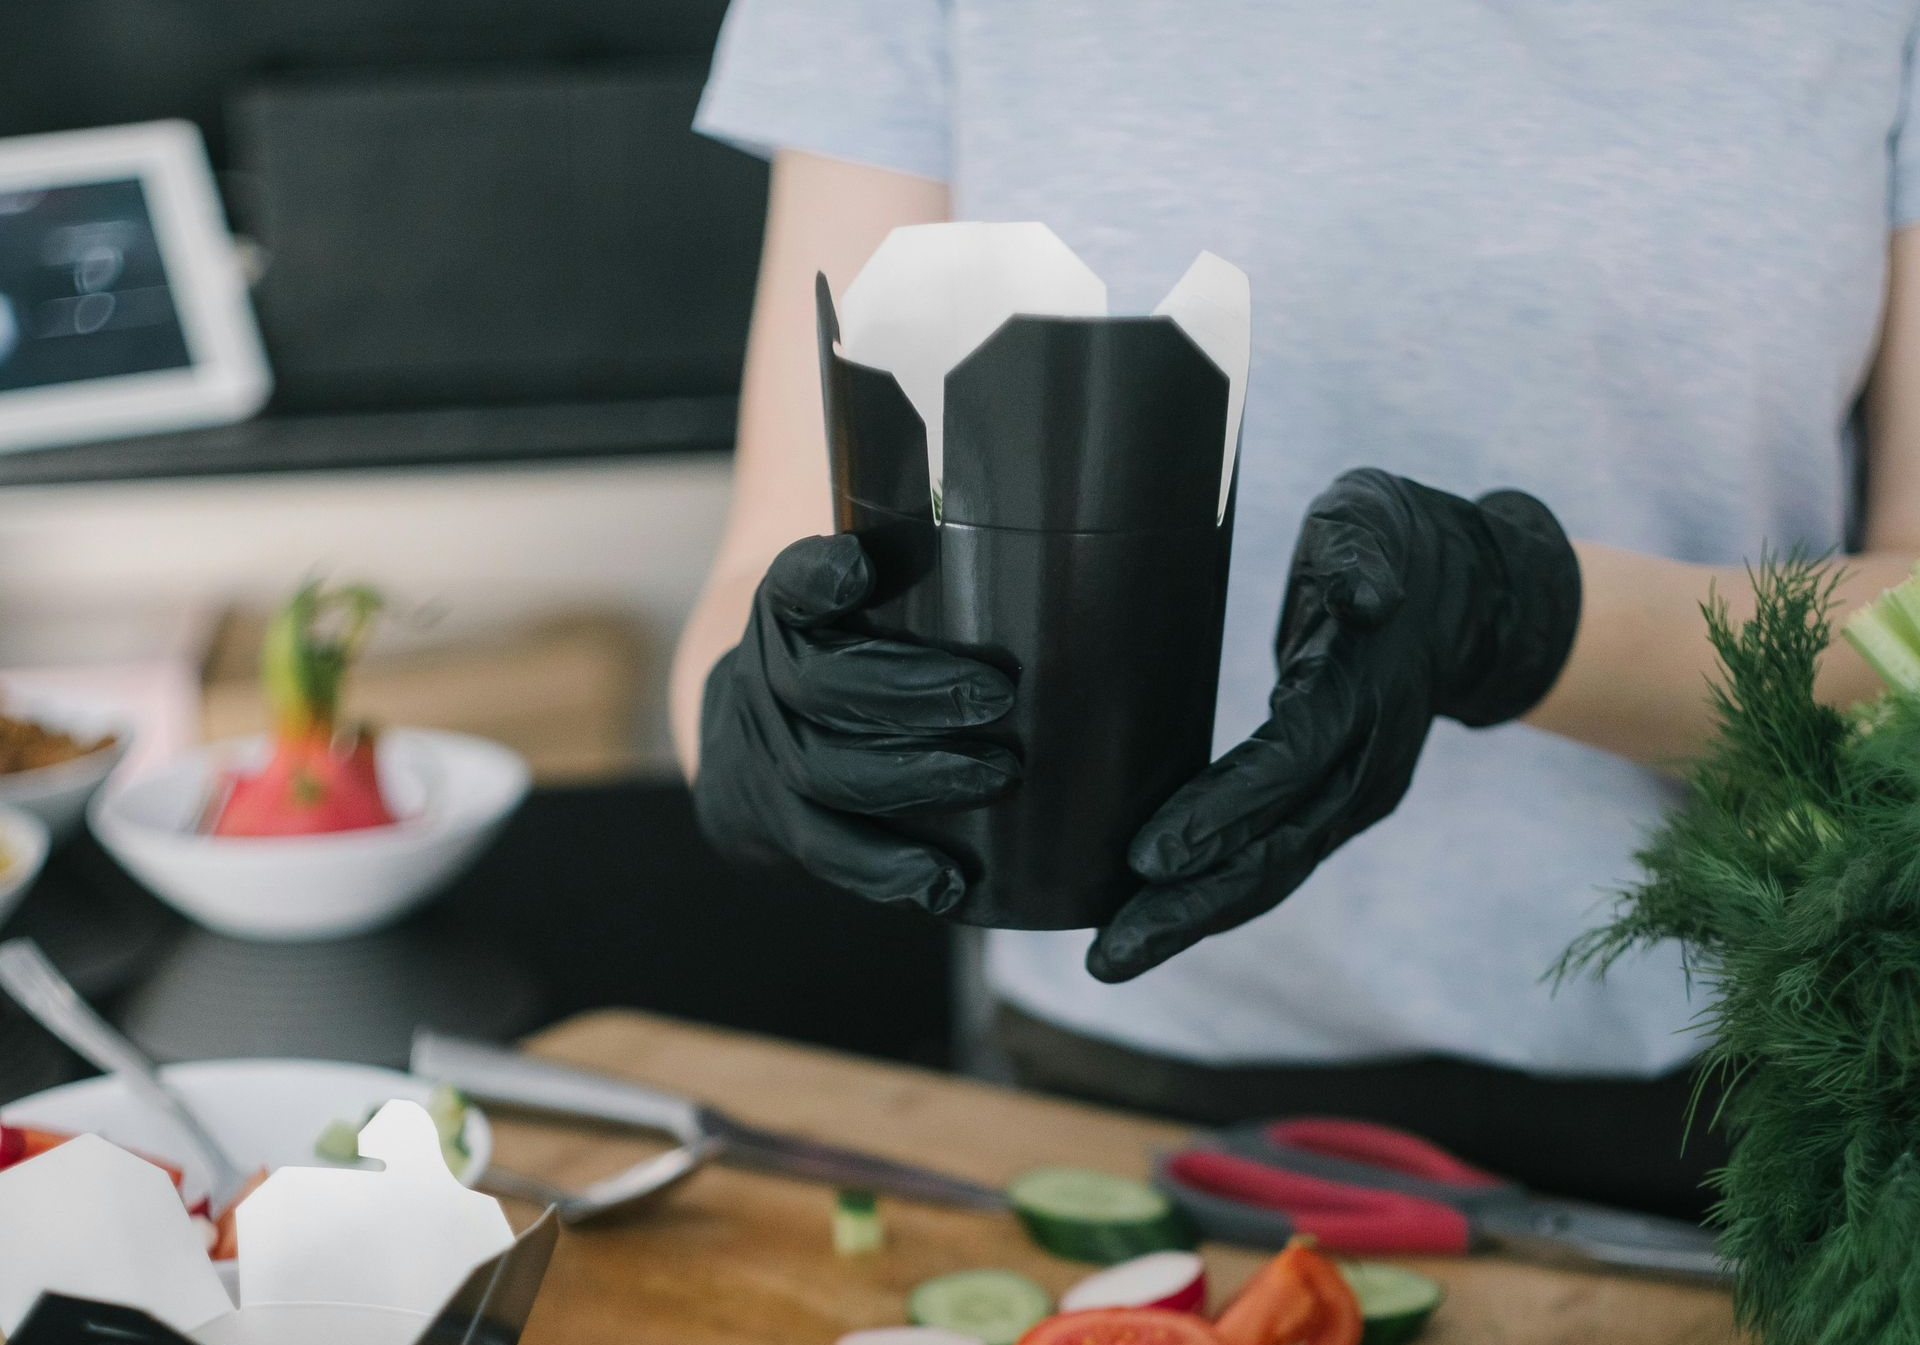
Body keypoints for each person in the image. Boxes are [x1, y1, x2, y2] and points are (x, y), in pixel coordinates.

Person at [671, 2, 1920, 1211]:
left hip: (1744, 1117)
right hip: (1125, 1090)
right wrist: (758, 722)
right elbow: (776, 553)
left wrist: (1530, 619)